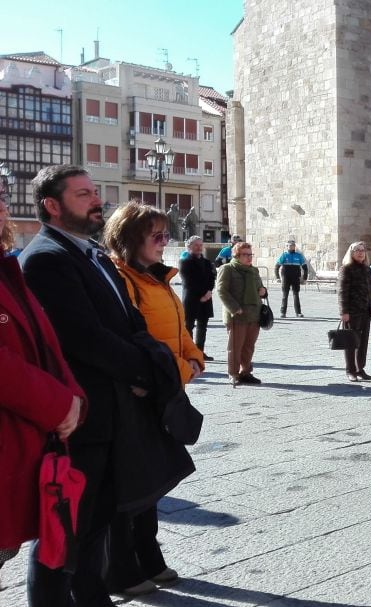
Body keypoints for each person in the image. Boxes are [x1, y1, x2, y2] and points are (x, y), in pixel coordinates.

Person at [19, 164, 177, 605]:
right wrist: (145, 373)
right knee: (63, 534)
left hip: (113, 416)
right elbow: (84, 338)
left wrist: (153, 357)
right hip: (82, 420)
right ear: (52, 205)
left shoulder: (92, 254)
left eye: (94, 192)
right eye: (83, 194)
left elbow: (131, 321)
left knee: (97, 524)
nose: (96, 200)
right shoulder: (47, 259)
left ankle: (93, 597)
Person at [102, 201, 204, 596]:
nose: (165, 242)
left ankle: (148, 554)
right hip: (142, 391)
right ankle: (123, 566)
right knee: (133, 484)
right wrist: (181, 370)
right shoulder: (121, 278)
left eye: (166, 234)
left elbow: (178, 328)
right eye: (156, 236)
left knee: (154, 481)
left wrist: (193, 357)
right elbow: (134, 338)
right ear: (130, 238)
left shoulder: (156, 277)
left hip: (165, 386)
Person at [0, 181, 85, 585]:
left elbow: (44, 342)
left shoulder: (7, 270)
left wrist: (74, 399)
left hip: (25, 446)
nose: (2, 207)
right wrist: (59, 404)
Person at [216, 241, 268, 385]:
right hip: (237, 315)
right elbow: (221, 291)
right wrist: (234, 307)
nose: (249, 257)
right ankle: (233, 373)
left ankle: (246, 372)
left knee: (249, 346)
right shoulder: (227, 269)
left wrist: (263, 291)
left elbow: (260, 288)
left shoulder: (254, 270)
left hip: (254, 314)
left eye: (250, 254)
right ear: (237, 255)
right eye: (246, 255)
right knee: (235, 347)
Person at [338, 242, 371, 381]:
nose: (361, 253)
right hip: (352, 311)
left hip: (365, 311)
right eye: (357, 250)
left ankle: (360, 368)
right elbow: (342, 292)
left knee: (363, 342)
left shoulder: (367, 269)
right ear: (351, 252)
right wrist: (344, 312)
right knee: (351, 341)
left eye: (363, 250)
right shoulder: (347, 269)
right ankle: (350, 370)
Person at [178, 235, 217, 360]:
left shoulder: (206, 262)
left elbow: (212, 278)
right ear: (189, 247)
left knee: (202, 326)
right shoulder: (185, 262)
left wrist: (209, 292)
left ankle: (200, 351)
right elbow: (188, 281)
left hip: (206, 297)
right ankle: (189, 353)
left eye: (201, 245)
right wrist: (202, 295)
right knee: (188, 326)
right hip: (191, 299)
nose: (199, 247)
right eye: (196, 245)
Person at [275, 239, 309, 318]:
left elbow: (305, 267)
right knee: (285, 295)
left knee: (296, 294)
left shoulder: (299, 255)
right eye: (289, 245)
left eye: (293, 245)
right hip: (286, 278)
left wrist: (304, 278)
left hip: (295, 278)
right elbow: (276, 267)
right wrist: (277, 277)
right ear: (287, 246)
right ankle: (283, 313)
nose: (291, 247)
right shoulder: (284, 255)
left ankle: (298, 312)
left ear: (295, 246)